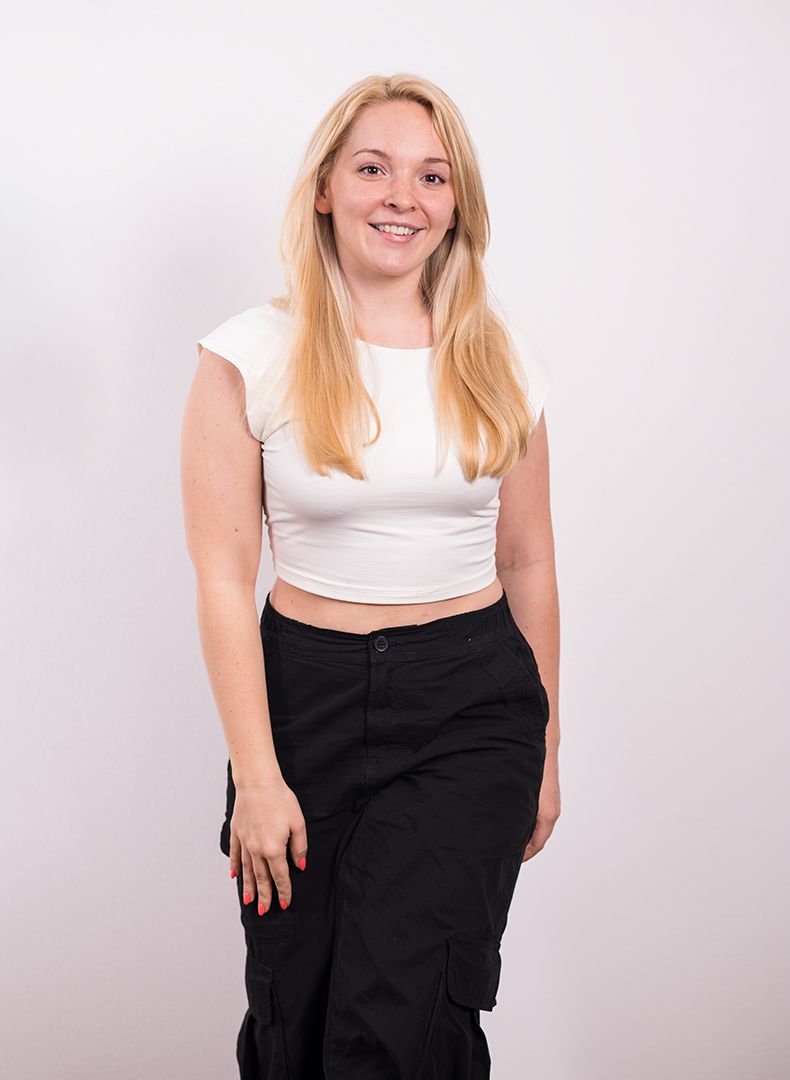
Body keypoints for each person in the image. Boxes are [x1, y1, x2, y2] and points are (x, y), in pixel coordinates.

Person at [181, 72, 561, 1080]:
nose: (403, 197)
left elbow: (527, 558)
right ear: (324, 189)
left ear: (457, 203)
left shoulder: (501, 361)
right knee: (294, 1020)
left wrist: (547, 748)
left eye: (432, 176)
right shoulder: (249, 354)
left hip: (470, 706)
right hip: (301, 704)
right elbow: (223, 578)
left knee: (398, 1026)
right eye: (373, 168)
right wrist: (258, 777)